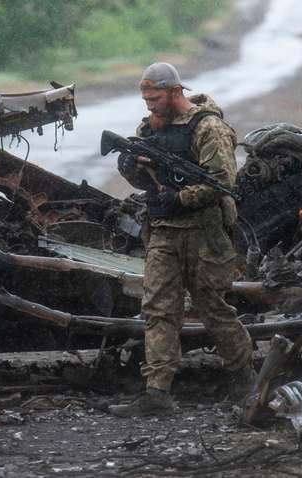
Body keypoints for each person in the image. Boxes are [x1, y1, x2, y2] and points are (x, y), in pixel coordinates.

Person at [109, 62, 256, 417]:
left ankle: (247, 380)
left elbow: (222, 180)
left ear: (176, 92)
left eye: (155, 98)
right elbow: (140, 177)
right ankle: (157, 392)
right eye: (145, 99)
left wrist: (177, 199)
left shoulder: (207, 127)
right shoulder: (149, 127)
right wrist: (130, 163)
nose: (149, 105)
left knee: (213, 307)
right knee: (158, 310)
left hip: (204, 232)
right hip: (164, 233)